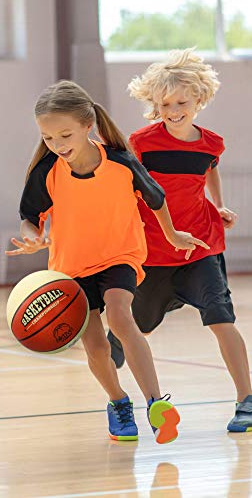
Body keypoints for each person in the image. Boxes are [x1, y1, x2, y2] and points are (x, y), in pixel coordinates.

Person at [6, 80, 209, 443]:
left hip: (120, 256)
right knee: (96, 346)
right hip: (71, 268)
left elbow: (155, 199)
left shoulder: (120, 162)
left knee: (119, 314)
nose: (57, 145)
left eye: (65, 134)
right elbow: (29, 216)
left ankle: (155, 403)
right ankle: (117, 402)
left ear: (88, 126)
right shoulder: (47, 171)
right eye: (48, 138)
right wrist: (34, 237)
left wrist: (173, 234)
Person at [106, 48, 252, 432]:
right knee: (131, 335)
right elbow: (126, 188)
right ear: (155, 105)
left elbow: (210, 171)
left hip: (201, 249)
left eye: (181, 102)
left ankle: (246, 401)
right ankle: (116, 396)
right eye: (165, 103)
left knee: (222, 321)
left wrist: (218, 206)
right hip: (152, 254)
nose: (173, 110)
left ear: (199, 100)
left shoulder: (212, 143)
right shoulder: (140, 142)